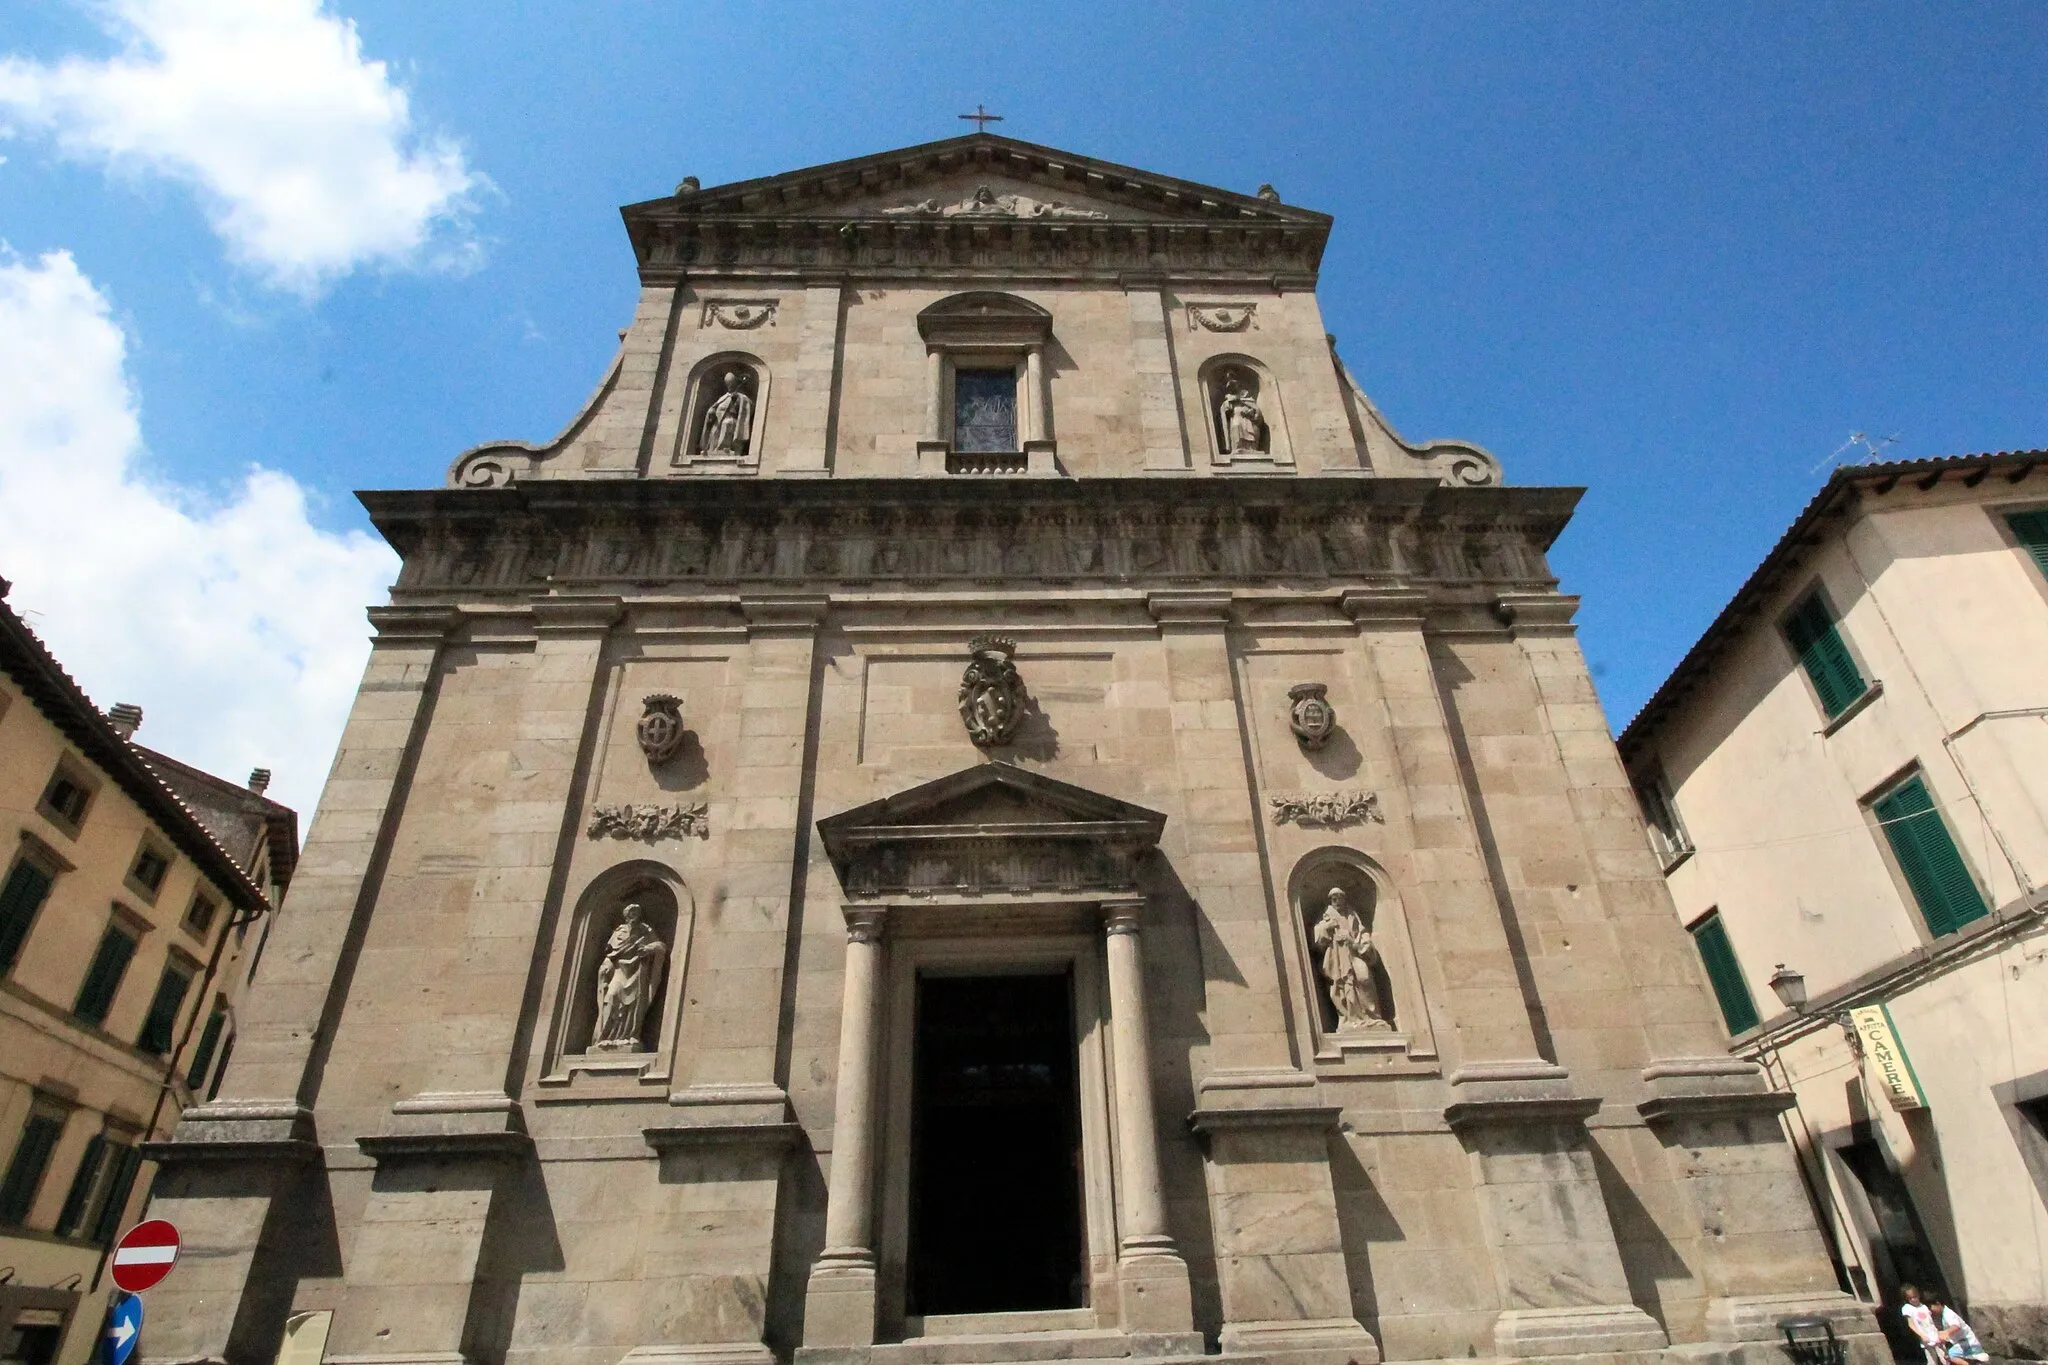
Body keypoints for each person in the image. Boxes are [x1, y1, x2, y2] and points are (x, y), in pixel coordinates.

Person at [1922, 1294, 1989, 1363]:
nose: (1930, 1311)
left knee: (1952, 1354)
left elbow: (1956, 1326)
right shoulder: (1944, 1315)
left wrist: (1946, 1332)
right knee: (1948, 1356)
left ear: (1937, 1303)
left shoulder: (1948, 1314)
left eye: (1930, 1307)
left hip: (1968, 1342)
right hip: (1962, 1343)